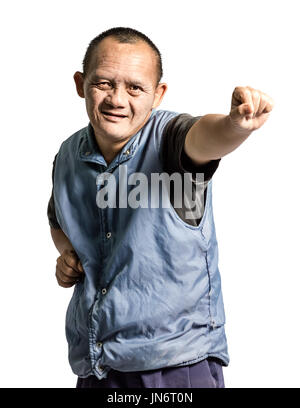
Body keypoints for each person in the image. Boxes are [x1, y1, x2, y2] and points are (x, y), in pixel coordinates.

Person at [47, 27, 274, 388]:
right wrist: (68, 255)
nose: (117, 99)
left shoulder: (171, 138)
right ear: (80, 83)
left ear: (158, 94)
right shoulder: (67, 155)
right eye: (103, 83)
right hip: (96, 366)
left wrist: (235, 126)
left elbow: (204, 138)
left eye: (135, 87)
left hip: (175, 366)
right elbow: (59, 219)